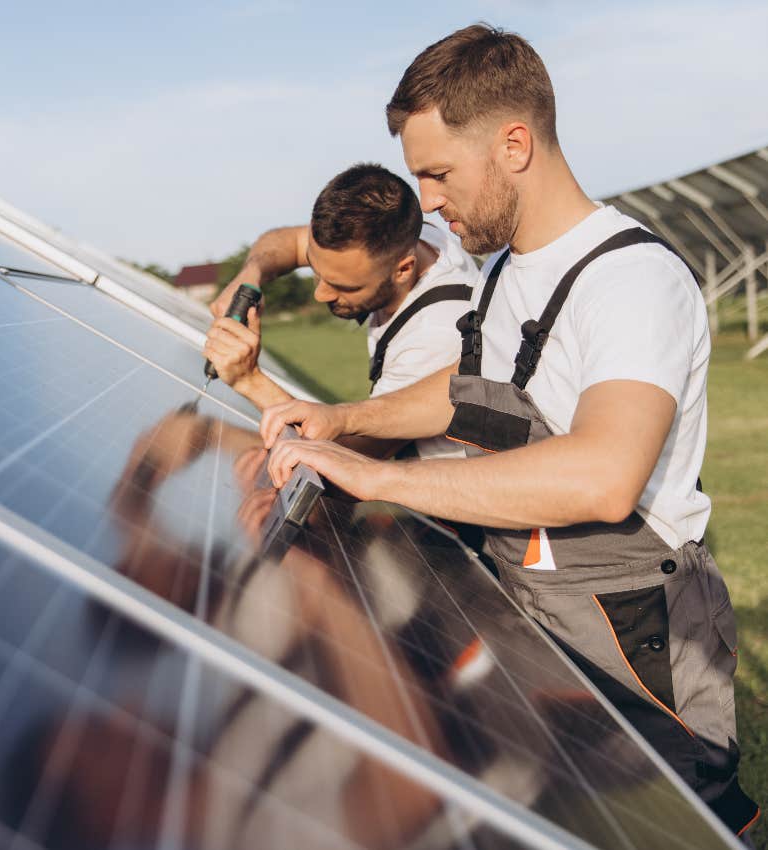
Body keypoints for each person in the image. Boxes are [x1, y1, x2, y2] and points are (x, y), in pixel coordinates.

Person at [259, 24, 760, 842]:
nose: (426, 201)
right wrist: (347, 420)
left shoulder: (630, 281)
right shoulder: (500, 271)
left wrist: (381, 478)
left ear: (515, 145)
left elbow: (603, 472)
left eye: (439, 172)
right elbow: (471, 396)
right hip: (537, 594)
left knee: (674, 816)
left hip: (635, 632)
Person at [205, 163, 480, 460]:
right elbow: (287, 241)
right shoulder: (405, 237)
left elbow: (350, 459)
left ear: (403, 269)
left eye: (343, 286)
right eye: (315, 268)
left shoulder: (437, 331)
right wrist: (251, 273)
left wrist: (249, 380)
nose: (320, 294)